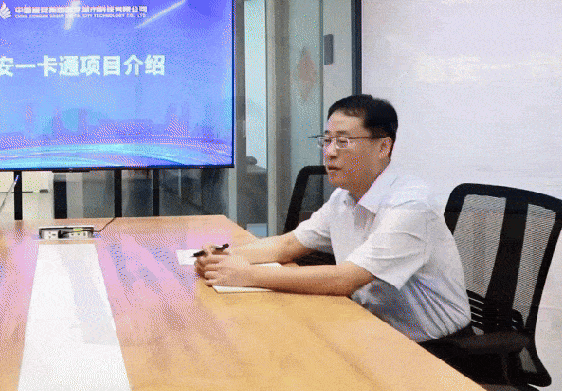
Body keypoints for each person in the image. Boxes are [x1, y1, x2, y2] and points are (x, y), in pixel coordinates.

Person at [195, 95, 471, 342]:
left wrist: (248, 275)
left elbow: (346, 279)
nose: (329, 152)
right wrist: (223, 256)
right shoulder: (344, 197)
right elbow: (288, 245)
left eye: (343, 141)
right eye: (327, 140)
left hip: (436, 347)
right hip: (370, 324)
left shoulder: (411, 205)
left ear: (383, 147)